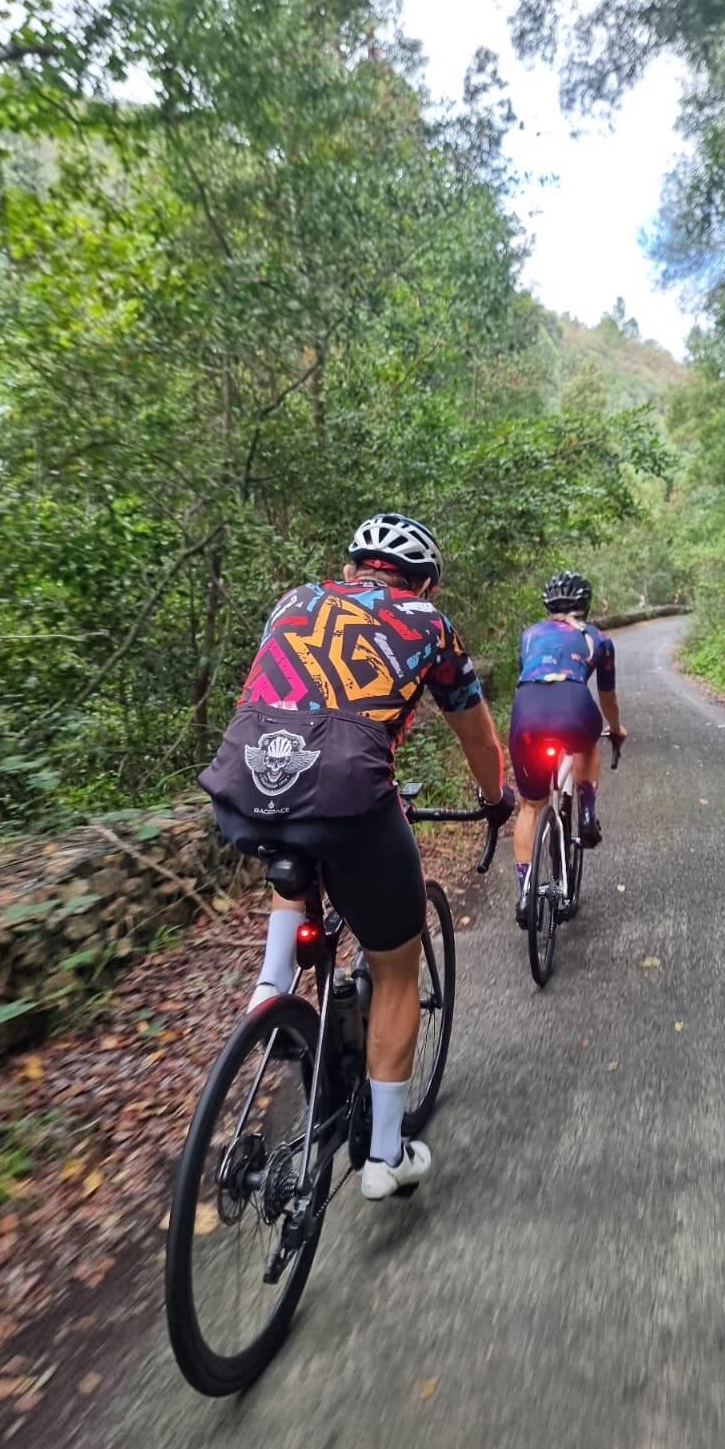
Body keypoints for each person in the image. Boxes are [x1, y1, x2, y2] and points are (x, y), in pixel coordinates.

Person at [199, 513, 514, 1201]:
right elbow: (478, 738)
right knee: (395, 966)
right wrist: (496, 802)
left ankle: (270, 988)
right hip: (348, 797)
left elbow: (285, 695)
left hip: (245, 784)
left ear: (349, 570)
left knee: (295, 832)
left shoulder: (293, 601)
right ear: (424, 585)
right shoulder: (430, 624)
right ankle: (384, 1159)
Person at [508, 571, 626, 926]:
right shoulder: (599, 639)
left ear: (548, 606)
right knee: (587, 743)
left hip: (526, 712)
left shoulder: (529, 634)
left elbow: (527, 676)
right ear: (585, 605)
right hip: (574, 705)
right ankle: (587, 813)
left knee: (530, 806)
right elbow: (607, 697)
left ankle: (526, 893)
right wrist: (616, 729)